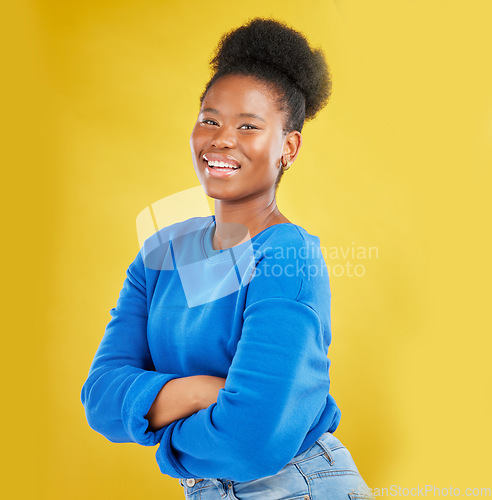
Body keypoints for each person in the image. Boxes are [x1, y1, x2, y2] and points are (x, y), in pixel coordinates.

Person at [81, 17, 374, 499]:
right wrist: (201, 390)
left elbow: (251, 440)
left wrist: (158, 431)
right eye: (210, 119)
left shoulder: (287, 256)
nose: (221, 139)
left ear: (288, 147)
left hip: (296, 486)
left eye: (249, 126)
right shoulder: (161, 253)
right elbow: (100, 399)